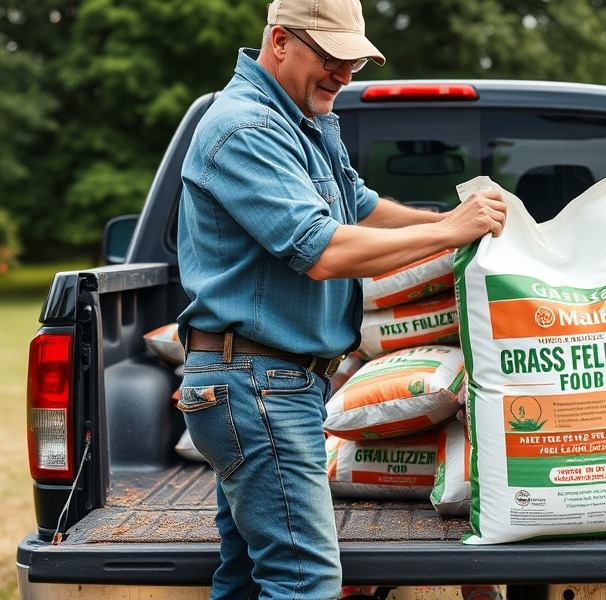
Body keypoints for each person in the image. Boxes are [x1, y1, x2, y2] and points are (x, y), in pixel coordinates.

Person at [176, 0, 506, 598]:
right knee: (305, 581)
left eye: (352, 60)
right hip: (256, 386)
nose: (345, 73)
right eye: (331, 57)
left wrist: (455, 223)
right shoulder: (246, 127)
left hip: (270, 385)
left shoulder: (299, 119)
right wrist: (448, 232)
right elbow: (320, 249)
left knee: (250, 577)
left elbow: (359, 206)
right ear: (279, 41)